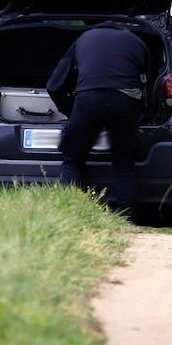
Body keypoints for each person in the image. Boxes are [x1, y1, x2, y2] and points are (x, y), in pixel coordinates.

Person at [46, 23, 150, 208]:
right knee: (124, 163)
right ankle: (126, 220)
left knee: (72, 158)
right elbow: (151, 85)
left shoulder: (83, 39)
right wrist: (141, 114)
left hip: (88, 99)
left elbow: (54, 86)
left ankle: (68, 213)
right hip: (125, 100)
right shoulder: (138, 42)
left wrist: (71, 112)